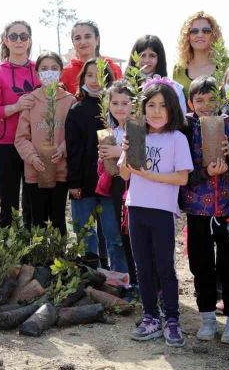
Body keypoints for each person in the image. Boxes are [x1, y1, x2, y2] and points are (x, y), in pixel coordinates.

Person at [120, 77, 193, 347]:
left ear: (172, 109)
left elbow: (182, 178)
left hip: (162, 212)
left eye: (163, 105)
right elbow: (124, 173)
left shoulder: (176, 138)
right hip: (136, 208)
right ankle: (150, 316)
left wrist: (150, 175)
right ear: (143, 108)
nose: (157, 111)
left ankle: (172, 319)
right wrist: (126, 154)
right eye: (151, 105)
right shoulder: (137, 134)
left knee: (165, 267)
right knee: (143, 266)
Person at [179, 76, 229, 344]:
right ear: (191, 102)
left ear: (221, 100)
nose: (205, 105)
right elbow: (183, 172)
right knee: (201, 266)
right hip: (197, 213)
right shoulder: (184, 129)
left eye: (211, 99)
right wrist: (206, 172)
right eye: (199, 100)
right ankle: (207, 317)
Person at [66, 59, 127, 271]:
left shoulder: (116, 111)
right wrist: (73, 183)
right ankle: (91, 276)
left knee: (114, 235)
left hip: (112, 184)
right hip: (83, 182)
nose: (94, 80)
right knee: (86, 235)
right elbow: (72, 150)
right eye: (89, 75)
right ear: (82, 78)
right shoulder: (77, 109)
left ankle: (121, 278)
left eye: (100, 75)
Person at [0, 20, 40, 227]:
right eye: (14, 36)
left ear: (30, 40)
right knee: (8, 200)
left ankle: (32, 248)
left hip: (35, 142)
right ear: (5, 40)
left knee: (32, 201)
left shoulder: (39, 70)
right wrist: (16, 106)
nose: (18, 40)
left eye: (23, 36)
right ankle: (8, 247)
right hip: (8, 144)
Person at [14, 51, 75, 232]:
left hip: (60, 170)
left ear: (61, 72)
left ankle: (59, 256)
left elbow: (74, 135)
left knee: (58, 217)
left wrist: (63, 149)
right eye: (44, 69)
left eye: (54, 68)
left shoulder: (69, 100)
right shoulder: (31, 100)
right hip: (35, 170)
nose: (49, 72)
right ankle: (40, 257)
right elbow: (21, 137)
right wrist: (32, 157)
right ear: (37, 73)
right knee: (37, 218)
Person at [96, 81, 138, 290]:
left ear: (134, 104)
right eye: (115, 103)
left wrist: (118, 153)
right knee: (123, 235)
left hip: (135, 187)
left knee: (135, 235)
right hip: (117, 187)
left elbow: (140, 158)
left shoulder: (138, 128)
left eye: (125, 102)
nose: (120, 107)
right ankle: (133, 282)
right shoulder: (111, 131)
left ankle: (143, 284)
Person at [125, 35, 186, 114]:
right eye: (142, 55)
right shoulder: (123, 87)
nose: (147, 60)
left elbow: (182, 119)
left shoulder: (175, 88)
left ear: (159, 58)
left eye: (152, 55)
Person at [172, 11, 227, 96]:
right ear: (187, 36)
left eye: (206, 31)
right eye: (194, 31)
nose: (200, 34)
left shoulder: (227, 65)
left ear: (214, 35)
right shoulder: (179, 70)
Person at [60, 20, 122, 94]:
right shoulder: (65, 73)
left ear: (97, 40)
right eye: (77, 38)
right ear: (73, 43)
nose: (82, 42)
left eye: (87, 37)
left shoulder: (113, 68)